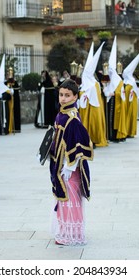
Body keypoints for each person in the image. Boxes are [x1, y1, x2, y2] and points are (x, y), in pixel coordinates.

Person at [49, 79, 93, 246]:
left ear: (75, 96)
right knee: (62, 200)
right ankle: (65, 230)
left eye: (67, 95)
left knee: (69, 200)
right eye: (61, 94)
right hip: (59, 164)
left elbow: (79, 142)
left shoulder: (72, 117)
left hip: (69, 168)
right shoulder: (61, 114)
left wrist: (70, 166)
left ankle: (71, 235)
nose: (63, 98)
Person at [79, 42, 108, 147]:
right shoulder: (91, 82)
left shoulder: (93, 83)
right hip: (87, 108)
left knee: (92, 124)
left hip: (93, 108)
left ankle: (93, 139)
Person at [103, 36, 127, 142]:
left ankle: (117, 136)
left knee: (115, 120)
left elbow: (121, 92)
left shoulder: (119, 81)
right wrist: (107, 91)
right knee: (109, 120)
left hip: (117, 103)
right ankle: (110, 135)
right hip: (110, 102)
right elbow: (106, 89)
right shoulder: (108, 79)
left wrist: (115, 93)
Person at [122, 54, 139, 137]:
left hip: (131, 102)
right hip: (127, 102)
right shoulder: (126, 81)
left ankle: (130, 132)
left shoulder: (131, 82)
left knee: (130, 115)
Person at [5, 67, 21, 133]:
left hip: (15, 100)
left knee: (16, 112)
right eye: (9, 74)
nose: (10, 75)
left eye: (11, 73)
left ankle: (16, 128)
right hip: (8, 101)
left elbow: (17, 90)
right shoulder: (5, 82)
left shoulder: (15, 82)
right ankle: (9, 127)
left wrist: (13, 90)